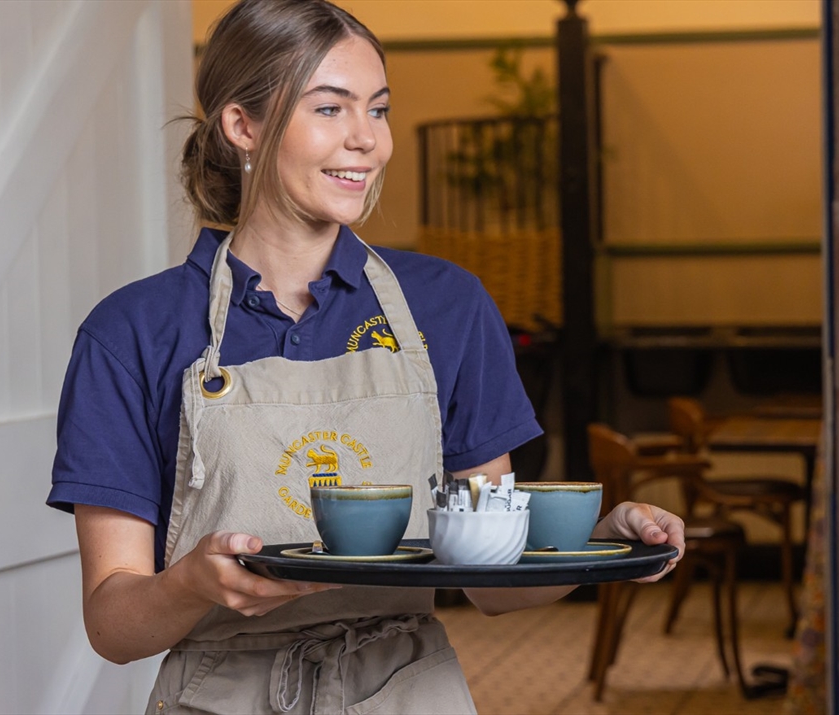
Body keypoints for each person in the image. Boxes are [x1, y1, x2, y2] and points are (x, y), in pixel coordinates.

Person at [46, 1, 685, 712]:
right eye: (331, 108)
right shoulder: (132, 330)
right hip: (219, 693)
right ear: (242, 125)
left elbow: (489, 576)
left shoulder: (448, 306)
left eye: (377, 111)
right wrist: (189, 583)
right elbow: (113, 623)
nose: (368, 141)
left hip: (408, 688)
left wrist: (596, 540)